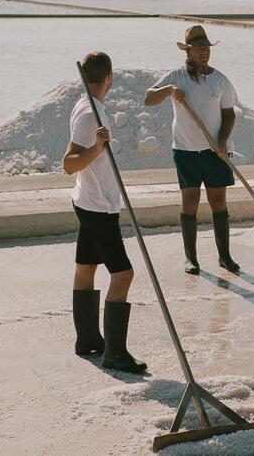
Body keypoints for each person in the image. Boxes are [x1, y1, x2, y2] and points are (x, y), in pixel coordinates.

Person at [63, 51, 146, 374]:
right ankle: (115, 353)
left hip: (89, 200)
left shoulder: (87, 106)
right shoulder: (89, 113)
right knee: (123, 274)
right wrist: (97, 149)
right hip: (98, 206)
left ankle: (87, 340)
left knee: (86, 266)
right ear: (109, 78)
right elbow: (69, 164)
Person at [145, 25, 240, 275]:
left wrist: (222, 140)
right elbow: (148, 98)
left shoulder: (220, 80)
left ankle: (224, 257)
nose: (204, 53)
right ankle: (191, 259)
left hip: (215, 152)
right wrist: (168, 91)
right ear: (188, 51)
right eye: (199, 49)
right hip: (186, 151)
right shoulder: (177, 77)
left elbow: (229, 113)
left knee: (218, 202)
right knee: (190, 203)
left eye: (207, 49)